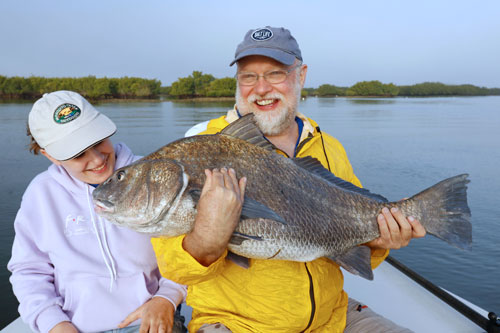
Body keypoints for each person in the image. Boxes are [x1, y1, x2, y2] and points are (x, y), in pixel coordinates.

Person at [152, 27, 426, 332]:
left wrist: (381, 242)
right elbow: (175, 269)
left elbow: (358, 252)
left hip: (332, 317)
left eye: (275, 74)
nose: (261, 88)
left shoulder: (329, 147)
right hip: (236, 324)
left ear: (301, 75)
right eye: (248, 76)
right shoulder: (200, 148)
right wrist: (206, 236)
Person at [8, 91, 187, 333]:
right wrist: (55, 324)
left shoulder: (156, 175)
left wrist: (166, 297)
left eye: (98, 142)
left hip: (151, 319)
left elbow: (189, 248)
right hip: (76, 327)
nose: (96, 160)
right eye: (78, 154)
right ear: (49, 154)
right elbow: (28, 270)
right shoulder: (40, 195)